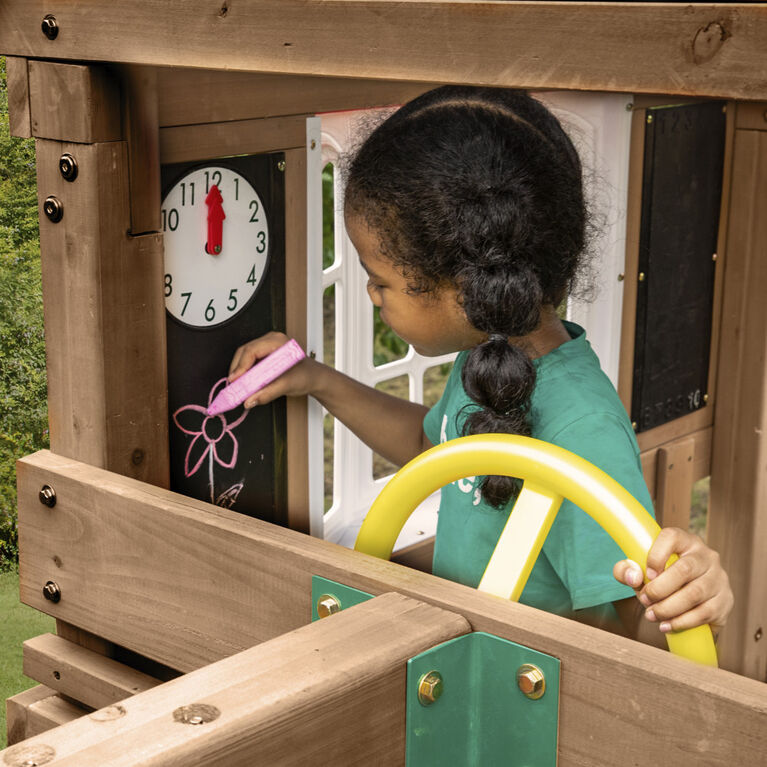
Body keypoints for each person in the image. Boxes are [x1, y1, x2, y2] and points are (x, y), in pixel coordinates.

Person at [229, 86, 733, 643]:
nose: (373, 296)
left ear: (466, 286)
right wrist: (316, 380)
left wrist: (695, 595)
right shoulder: (493, 357)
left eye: (382, 281)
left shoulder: (582, 430)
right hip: (465, 672)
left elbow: (631, 625)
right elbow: (434, 449)